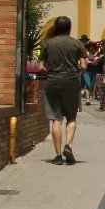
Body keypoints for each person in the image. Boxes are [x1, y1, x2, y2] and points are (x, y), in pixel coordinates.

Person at [39, 16, 86, 164]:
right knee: (71, 118)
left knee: (56, 119)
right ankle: (68, 145)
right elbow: (84, 66)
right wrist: (75, 70)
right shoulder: (77, 44)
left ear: (56, 28)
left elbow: (40, 67)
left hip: (53, 81)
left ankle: (58, 156)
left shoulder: (47, 44)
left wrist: (49, 72)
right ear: (69, 28)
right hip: (72, 82)